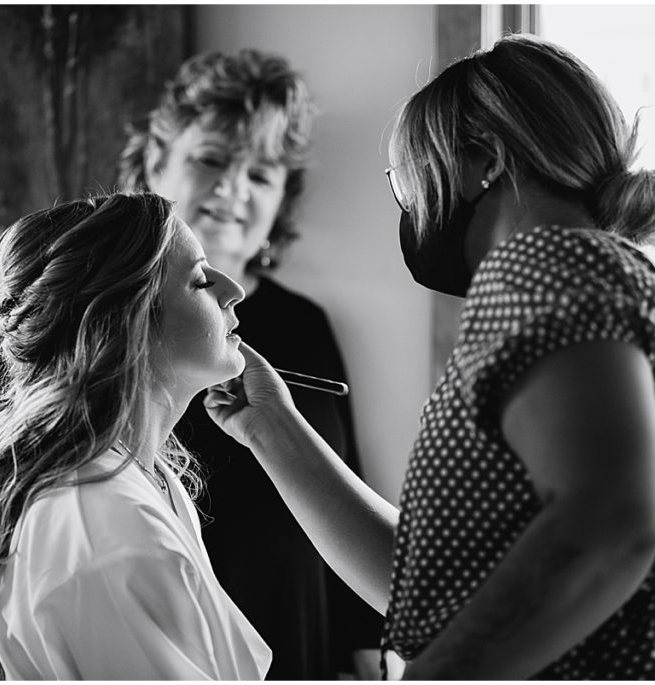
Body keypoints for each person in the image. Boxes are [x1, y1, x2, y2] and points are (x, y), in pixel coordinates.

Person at [202, 34, 655, 680]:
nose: (407, 208)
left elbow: (612, 521)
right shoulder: (578, 274)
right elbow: (438, 589)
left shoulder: (542, 261)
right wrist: (271, 428)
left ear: (484, 160)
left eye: (405, 179)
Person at [0, 192, 272, 679]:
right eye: (198, 279)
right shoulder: (111, 532)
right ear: (126, 322)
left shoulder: (150, 483)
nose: (233, 290)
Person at [118, 48, 382, 679]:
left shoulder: (306, 328)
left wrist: (369, 654)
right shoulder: (86, 320)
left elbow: (346, 484)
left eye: (260, 175)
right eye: (211, 160)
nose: (232, 190)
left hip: (298, 643)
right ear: (157, 164)